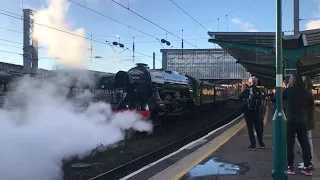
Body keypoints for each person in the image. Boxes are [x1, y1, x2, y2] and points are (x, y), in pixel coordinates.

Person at [284, 74, 313, 176]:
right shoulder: (306, 93)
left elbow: (276, 98)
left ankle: (290, 167)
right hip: (302, 121)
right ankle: (307, 167)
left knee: (290, 144)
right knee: (305, 144)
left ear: (293, 81)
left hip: (291, 121)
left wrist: (286, 88)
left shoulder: (288, 91)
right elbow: (311, 104)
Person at [239, 76, 266, 151]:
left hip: (248, 113)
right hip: (257, 112)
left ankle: (253, 145)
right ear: (256, 82)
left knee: (250, 129)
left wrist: (243, 90)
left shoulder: (247, 90)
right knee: (258, 128)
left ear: (250, 82)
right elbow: (263, 98)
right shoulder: (260, 90)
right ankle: (261, 144)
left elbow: (239, 97)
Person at [295, 76, 315, 170]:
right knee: (306, 140)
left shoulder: (307, 94)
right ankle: (307, 161)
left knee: (307, 140)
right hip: (307, 120)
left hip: (306, 121)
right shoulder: (308, 93)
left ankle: (309, 161)